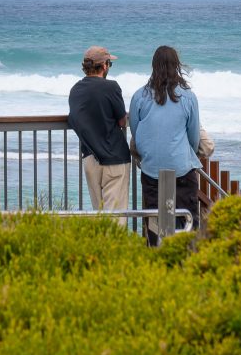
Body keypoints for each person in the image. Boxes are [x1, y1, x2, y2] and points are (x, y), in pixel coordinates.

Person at [129, 46, 201, 242]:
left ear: (154, 67)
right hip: (182, 169)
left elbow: (136, 132)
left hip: (151, 169)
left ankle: (157, 257)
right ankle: (187, 259)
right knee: (187, 220)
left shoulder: (139, 96)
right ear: (176, 66)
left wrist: (148, 153)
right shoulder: (188, 96)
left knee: (155, 221)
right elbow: (194, 137)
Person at [68, 46, 131, 213]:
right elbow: (122, 121)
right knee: (116, 217)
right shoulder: (111, 87)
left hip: (90, 158)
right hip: (115, 158)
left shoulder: (75, 90)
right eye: (109, 63)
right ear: (104, 66)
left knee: (101, 215)